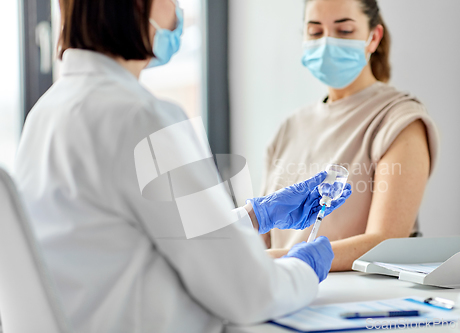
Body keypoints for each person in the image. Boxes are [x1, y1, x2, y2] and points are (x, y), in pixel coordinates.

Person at [13, 0, 351, 332]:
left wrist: (254, 215)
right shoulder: (142, 117)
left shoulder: (47, 112)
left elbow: (129, 236)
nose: (179, 10)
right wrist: (305, 268)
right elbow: (248, 293)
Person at [260, 0, 439, 271]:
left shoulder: (398, 119)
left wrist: (284, 260)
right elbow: (262, 234)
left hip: (352, 300)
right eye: (316, 32)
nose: (327, 43)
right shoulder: (290, 127)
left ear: (373, 37)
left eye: (344, 31)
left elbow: (386, 241)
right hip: (279, 291)